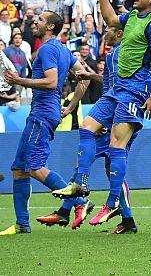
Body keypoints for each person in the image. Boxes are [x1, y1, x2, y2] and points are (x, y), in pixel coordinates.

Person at [51, 0, 151, 229]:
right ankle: (81, 182)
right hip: (117, 89)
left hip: (136, 88)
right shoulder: (133, 17)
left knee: (117, 145)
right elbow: (112, 20)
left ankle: (114, 201)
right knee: (86, 126)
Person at [37, 26, 139, 233]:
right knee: (96, 166)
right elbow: (112, 88)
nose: (105, 33)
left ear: (120, 33)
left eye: (109, 29)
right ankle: (125, 221)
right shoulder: (112, 55)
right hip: (110, 117)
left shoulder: (127, 52)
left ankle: (70, 209)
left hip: (121, 119)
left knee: (102, 167)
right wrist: (92, 76)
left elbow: (125, 90)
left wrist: (106, 123)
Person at [1, 12, 87, 236]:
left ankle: (79, 202)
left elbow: (51, 82)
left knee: (34, 167)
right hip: (45, 112)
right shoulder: (64, 50)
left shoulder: (48, 49)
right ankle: (22, 224)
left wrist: (19, 80)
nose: (34, 21)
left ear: (49, 26)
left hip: (42, 113)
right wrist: (71, 106)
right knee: (19, 169)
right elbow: (84, 77)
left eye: (39, 19)